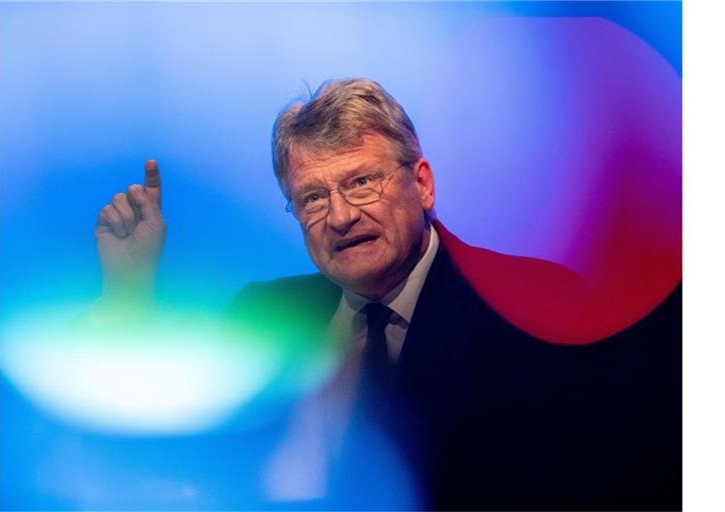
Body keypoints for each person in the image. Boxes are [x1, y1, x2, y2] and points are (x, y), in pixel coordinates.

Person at [95, 78, 680, 510]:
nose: (342, 216)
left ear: (421, 184)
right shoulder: (265, 315)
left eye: (361, 182)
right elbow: (178, 463)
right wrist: (130, 293)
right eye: (313, 198)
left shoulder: (531, 304)